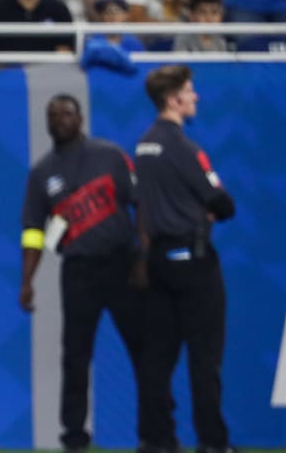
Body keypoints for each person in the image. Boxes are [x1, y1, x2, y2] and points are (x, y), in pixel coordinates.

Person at [19, 95, 145, 453]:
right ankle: (74, 439)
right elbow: (33, 231)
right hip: (78, 272)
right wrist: (27, 281)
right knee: (75, 355)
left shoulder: (110, 155)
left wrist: (143, 260)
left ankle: (155, 433)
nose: (60, 118)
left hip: (123, 264)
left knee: (145, 349)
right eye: (52, 113)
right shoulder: (42, 172)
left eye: (66, 112)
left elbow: (141, 205)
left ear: (81, 117)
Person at [134, 65, 236, 453]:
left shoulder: (143, 146)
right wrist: (207, 208)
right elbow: (222, 203)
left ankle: (157, 440)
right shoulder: (186, 148)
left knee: (158, 359)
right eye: (190, 91)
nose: (195, 97)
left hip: (159, 259)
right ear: (174, 99)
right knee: (204, 360)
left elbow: (143, 204)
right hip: (194, 262)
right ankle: (212, 443)